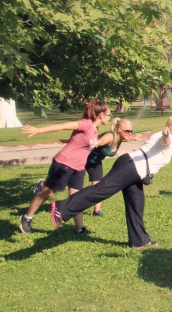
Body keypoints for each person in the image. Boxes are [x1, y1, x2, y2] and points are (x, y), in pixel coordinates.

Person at [51, 115, 172, 249]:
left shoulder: (163, 135)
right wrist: (166, 135)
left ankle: (139, 241)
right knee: (101, 190)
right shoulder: (167, 138)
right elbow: (165, 142)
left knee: (136, 204)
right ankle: (61, 208)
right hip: (130, 167)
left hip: (135, 172)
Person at [19, 99, 111, 234]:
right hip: (64, 164)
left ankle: (80, 229)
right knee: (48, 193)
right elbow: (62, 125)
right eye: (109, 115)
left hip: (78, 168)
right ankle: (26, 218)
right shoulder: (85, 124)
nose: (110, 118)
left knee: (76, 199)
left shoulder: (95, 129)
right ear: (101, 115)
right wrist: (38, 130)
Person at [84, 117, 143, 216]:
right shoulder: (110, 136)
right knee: (60, 184)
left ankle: (96, 211)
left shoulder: (120, 138)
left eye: (131, 131)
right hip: (83, 158)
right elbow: (97, 143)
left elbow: (128, 138)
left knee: (98, 186)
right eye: (128, 131)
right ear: (119, 130)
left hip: (95, 162)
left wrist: (135, 137)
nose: (130, 133)